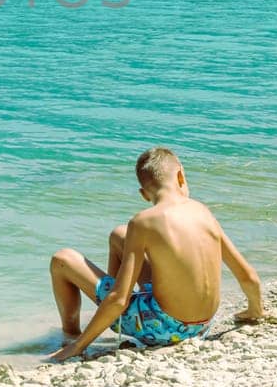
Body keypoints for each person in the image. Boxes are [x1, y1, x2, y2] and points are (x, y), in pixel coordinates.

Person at [48, 146, 264, 361]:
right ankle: (116, 316)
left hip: (163, 329)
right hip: (201, 326)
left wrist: (78, 346)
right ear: (181, 175)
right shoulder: (203, 211)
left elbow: (119, 299)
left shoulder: (143, 221)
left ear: (143, 194)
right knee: (118, 235)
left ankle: (71, 335)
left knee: (62, 259)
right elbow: (248, 277)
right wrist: (255, 311)